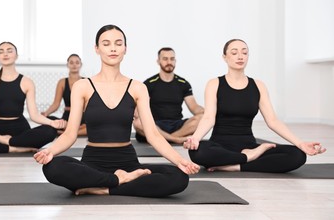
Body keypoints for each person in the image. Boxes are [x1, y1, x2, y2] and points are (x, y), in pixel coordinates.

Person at [34, 24, 200, 197]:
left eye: (118, 43)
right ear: (97, 49)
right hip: (92, 162)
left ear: (125, 49)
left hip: (128, 162)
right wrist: (50, 151)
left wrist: (180, 161)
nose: (113, 48)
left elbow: (153, 134)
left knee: (178, 177)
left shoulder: (137, 87)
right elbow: (70, 135)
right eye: (106, 44)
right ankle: (118, 181)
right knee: (52, 167)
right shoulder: (82, 86)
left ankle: (103, 187)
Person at [183, 39, 326, 173]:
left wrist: (301, 144)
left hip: (249, 146)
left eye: (244, 53)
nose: (240, 56)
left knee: (297, 155)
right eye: (234, 52)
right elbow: (208, 118)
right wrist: (195, 138)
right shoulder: (214, 84)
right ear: (225, 57)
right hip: (220, 146)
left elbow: (273, 121)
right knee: (198, 152)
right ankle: (246, 159)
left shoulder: (258, 86)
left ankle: (234, 165)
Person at [133, 47, 204, 144]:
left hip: (178, 126)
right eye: (165, 59)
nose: (169, 62)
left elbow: (194, 107)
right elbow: (141, 108)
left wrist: (206, 112)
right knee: (137, 122)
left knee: (203, 118)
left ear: (175, 61)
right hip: (155, 125)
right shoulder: (149, 84)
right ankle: (175, 139)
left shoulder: (183, 83)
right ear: (158, 61)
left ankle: (166, 139)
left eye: (172, 59)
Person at [41, 54, 86, 136]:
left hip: (82, 116)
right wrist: (46, 113)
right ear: (67, 65)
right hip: (67, 117)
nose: (74, 65)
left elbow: (90, 103)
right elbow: (56, 104)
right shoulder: (62, 82)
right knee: (47, 120)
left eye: (77, 62)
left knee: (97, 124)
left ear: (81, 64)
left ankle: (68, 132)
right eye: (71, 63)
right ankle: (75, 129)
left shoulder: (86, 81)